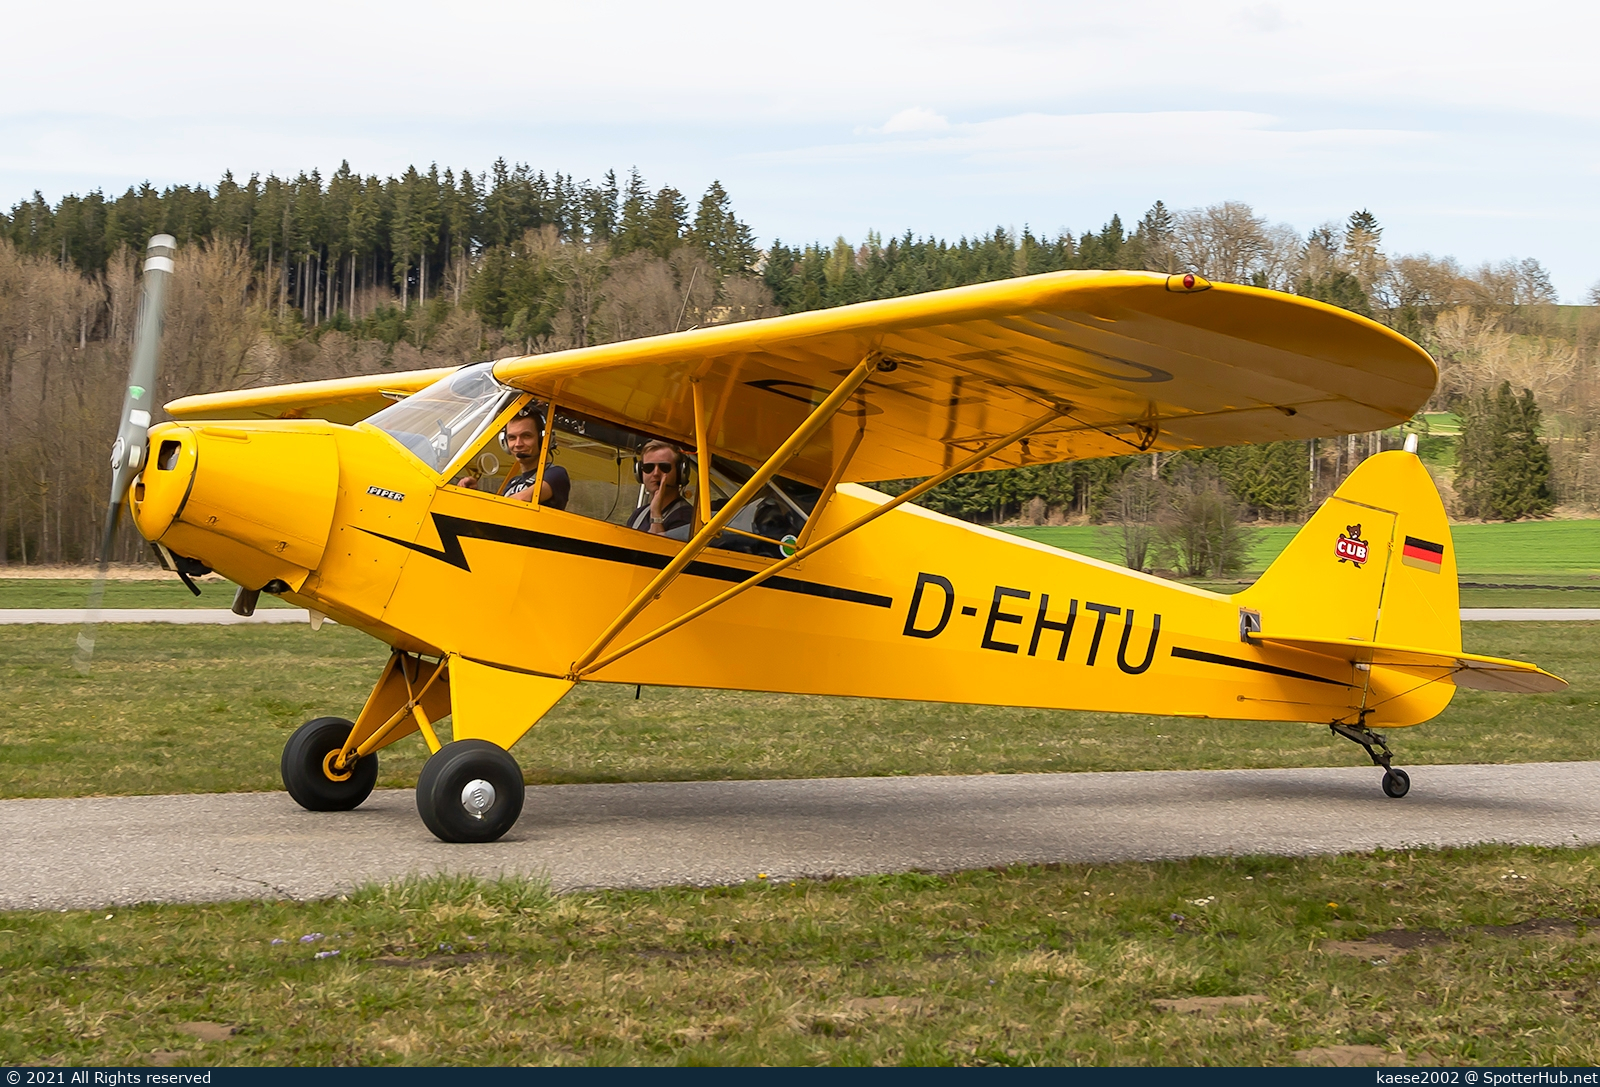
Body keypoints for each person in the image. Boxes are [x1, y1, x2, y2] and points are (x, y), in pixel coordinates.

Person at [456, 404, 570, 509]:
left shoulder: (556, 474)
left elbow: (521, 500)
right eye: (512, 438)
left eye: (526, 436)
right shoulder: (513, 482)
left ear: (543, 440)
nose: (518, 444)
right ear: (504, 443)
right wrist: (474, 493)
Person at [627, 439, 693, 536]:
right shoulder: (638, 515)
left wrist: (656, 516)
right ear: (640, 473)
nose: (656, 473)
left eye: (664, 467)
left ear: (680, 472)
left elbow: (655, 545)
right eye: (648, 468)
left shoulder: (687, 517)